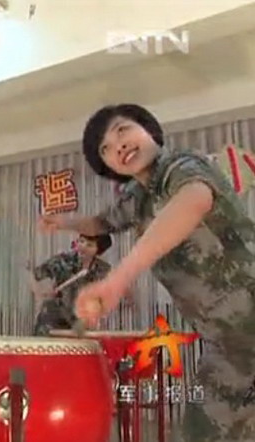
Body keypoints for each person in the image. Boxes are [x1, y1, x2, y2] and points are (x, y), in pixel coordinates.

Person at [41, 103, 255, 442]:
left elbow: (193, 200)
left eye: (123, 130)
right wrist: (66, 222)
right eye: (106, 148)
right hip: (229, 342)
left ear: (149, 130)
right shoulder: (136, 196)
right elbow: (102, 222)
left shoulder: (182, 165)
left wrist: (118, 279)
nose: (119, 146)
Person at [29, 234, 112, 336]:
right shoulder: (62, 260)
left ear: (98, 250)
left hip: (81, 323)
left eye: (89, 245)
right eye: (81, 241)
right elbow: (34, 275)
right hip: (53, 319)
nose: (83, 247)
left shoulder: (103, 269)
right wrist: (41, 290)